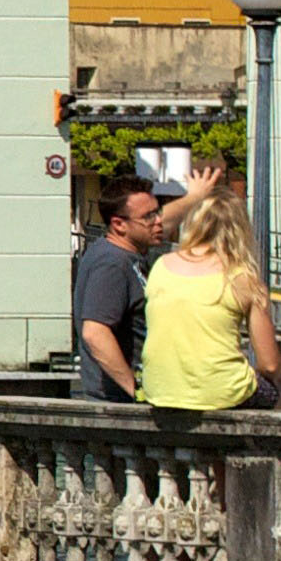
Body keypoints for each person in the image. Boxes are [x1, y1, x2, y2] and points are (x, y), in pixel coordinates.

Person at [138, 167, 281, 414]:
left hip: (159, 390)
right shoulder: (242, 278)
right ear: (240, 230)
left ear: (194, 225)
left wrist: (193, 197)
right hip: (221, 390)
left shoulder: (161, 267)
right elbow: (270, 365)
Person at [74, 171, 168, 401]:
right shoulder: (112, 263)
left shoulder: (129, 256)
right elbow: (95, 332)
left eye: (158, 212)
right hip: (117, 404)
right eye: (149, 217)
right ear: (118, 224)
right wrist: (135, 390)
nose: (159, 221)